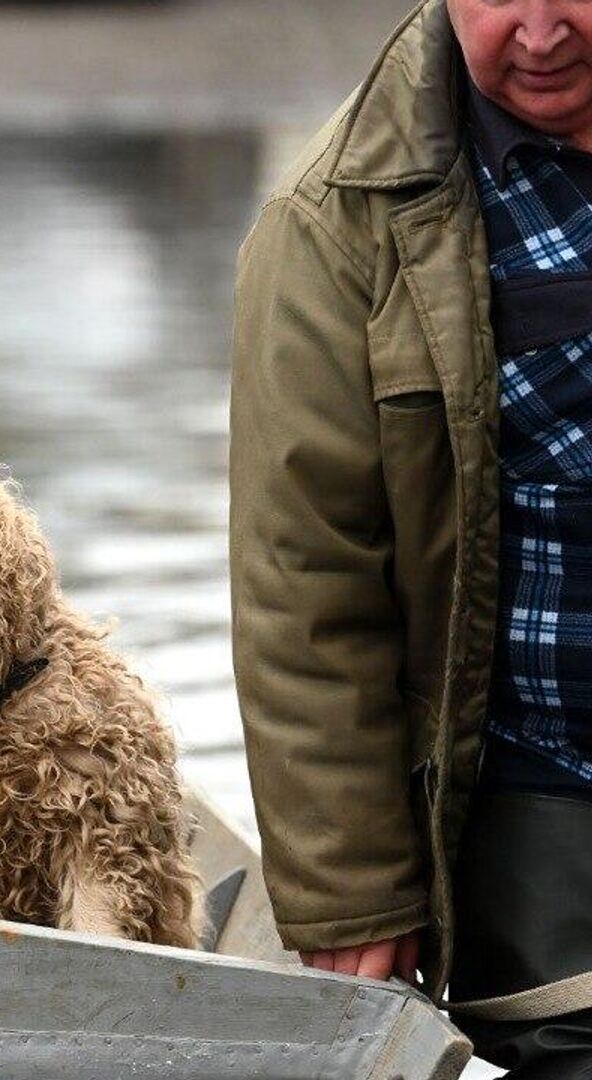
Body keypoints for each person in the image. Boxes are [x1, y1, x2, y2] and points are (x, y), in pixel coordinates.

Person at [229, 0, 592, 1075]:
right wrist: (353, 891)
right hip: (548, 831)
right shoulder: (330, 225)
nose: (536, 31)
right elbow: (308, 587)